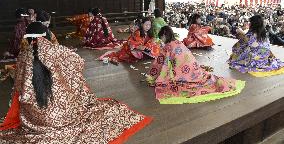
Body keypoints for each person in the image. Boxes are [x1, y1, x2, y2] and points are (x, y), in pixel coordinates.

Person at [0, 22, 152, 143]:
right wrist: (62, 74)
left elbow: (19, 88)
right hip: (62, 117)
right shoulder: (56, 50)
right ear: (45, 35)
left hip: (33, 119)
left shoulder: (22, 56)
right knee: (69, 90)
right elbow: (78, 62)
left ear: (28, 37)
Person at [147, 26, 245, 104]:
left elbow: (160, 63)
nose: (162, 40)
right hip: (193, 68)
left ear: (164, 35)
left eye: (162, 38)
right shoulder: (177, 42)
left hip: (184, 72)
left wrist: (152, 74)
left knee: (171, 77)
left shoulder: (168, 47)